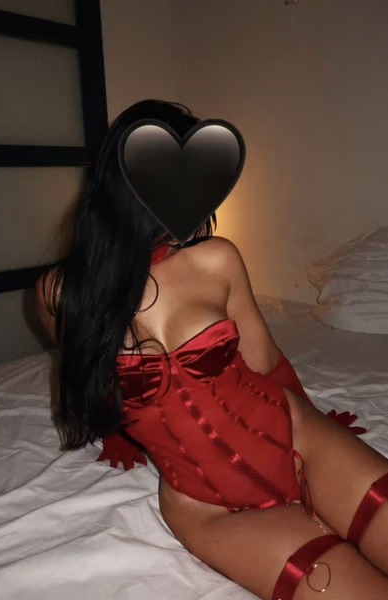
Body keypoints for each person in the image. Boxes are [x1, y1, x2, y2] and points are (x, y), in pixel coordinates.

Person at [35, 99, 388, 600]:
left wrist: (317, 418)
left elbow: (265, 361)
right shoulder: (59, 292)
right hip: (207, 508)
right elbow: (85, 371)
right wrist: (116, 431)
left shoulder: (216, 258)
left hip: (300, 440)